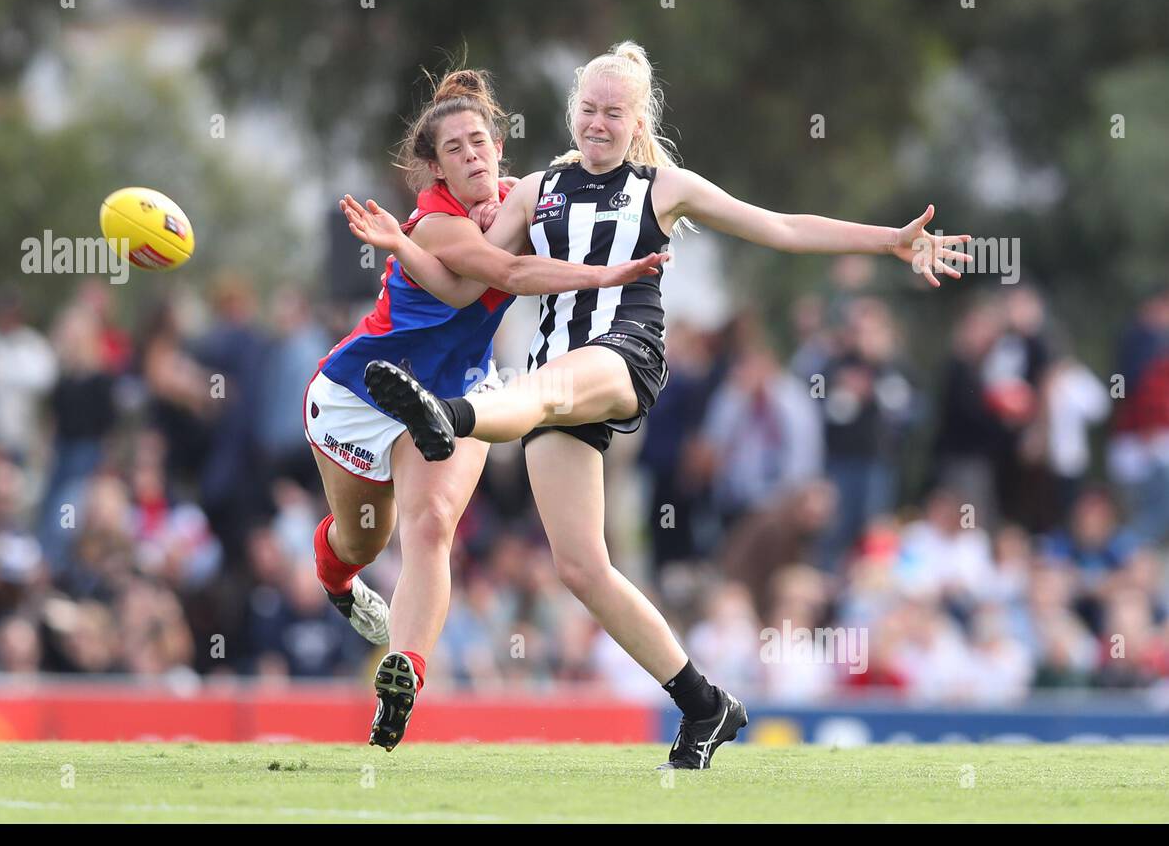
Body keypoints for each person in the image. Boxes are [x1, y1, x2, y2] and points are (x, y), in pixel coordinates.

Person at [347, 40, 971, 769]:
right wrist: (404, 244)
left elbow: (782, 227)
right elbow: (468, 283)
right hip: (547, 382)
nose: (599, 123)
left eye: (615, 112)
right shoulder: (536, 189)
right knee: (581, 567)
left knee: (530, 392)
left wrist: (889, 242)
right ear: (572, 110)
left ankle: (448, 417)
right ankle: (706, 703)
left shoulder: (662, 187)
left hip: (622, 355)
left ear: (638, 119)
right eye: (589, 109)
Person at [311, 68, 665, 751]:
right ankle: (333, 572)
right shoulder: (437, 221)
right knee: (362, 541)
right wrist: (606, 276)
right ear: (434, 166)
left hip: (453, 397)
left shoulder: (523, 202)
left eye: (480, 141)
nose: (472, 155)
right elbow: (497, 280)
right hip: (361, 390)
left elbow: (588, 210)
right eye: (455, 149)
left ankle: (402, 671)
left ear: (500, 145)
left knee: (434, 524)